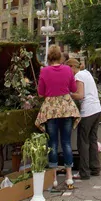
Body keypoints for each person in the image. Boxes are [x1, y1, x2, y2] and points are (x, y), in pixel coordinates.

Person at [36, 45, 80, 189]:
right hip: (66, 108)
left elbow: (41, 93)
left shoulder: (44, 71)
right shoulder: (67, 69)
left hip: (51, 110)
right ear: (60, 57)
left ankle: (54, 178)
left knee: (53, 144)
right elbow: (74, 89)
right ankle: (69, 176)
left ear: (49, 57)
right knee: (66, 142)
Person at [67, 58, 101, 180]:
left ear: (72, 67)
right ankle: (95, 168)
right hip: (97, 109)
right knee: (92, 140)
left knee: (83, 142)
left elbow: (80, 95)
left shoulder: (79, 76)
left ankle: (84, 172)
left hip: (87, 112)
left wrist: (68, 94)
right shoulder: (87, 73)